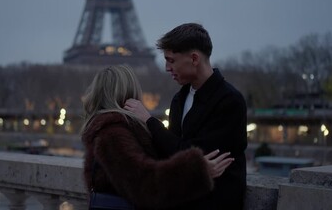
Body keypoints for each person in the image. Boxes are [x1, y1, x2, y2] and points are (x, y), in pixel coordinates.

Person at [124, 23, 248, 210]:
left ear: (194, 58)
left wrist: (149, 121)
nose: (167, 68)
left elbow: (192, 153)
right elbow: (176, 156)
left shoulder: (230, 101)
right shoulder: (178, 99)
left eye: (171, 60)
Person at [81, 64, 234, 209]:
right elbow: (145, 183)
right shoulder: (113, 134)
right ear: (128, 92)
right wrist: (196, 171)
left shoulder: (112, 129)